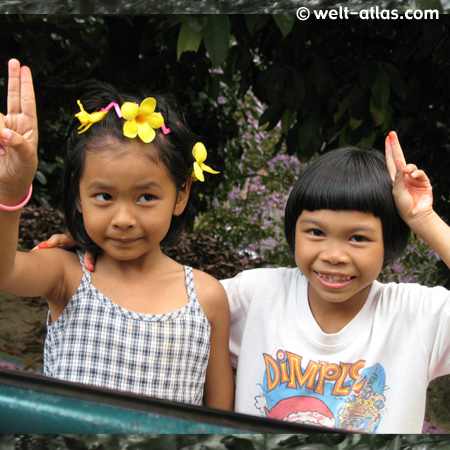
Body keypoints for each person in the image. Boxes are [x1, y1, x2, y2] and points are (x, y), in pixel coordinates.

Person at [37, 123, 450, 430]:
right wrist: (99, 251)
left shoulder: (417, 316)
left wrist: (424, 218)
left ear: (390, 244)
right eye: (316, 232)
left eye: (358, 238)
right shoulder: (259, 294)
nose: (333, 255)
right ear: (293, 233)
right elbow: (159, 296)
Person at [0, 58, 233, 410]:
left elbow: (221, 420)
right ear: (79, 196)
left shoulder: (207, 298)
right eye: (104, 196)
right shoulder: (68, 274)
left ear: (181, 194)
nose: (123, 218)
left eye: (146, 197)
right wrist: (10, 192)